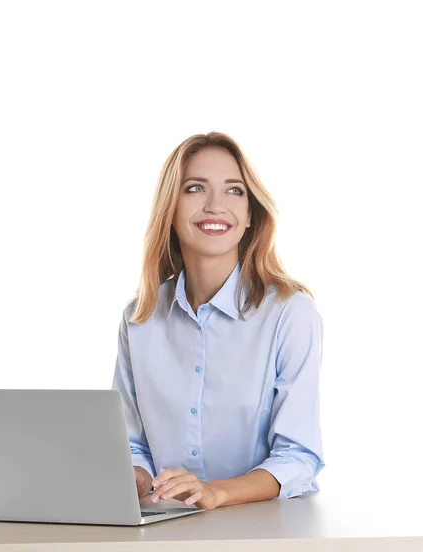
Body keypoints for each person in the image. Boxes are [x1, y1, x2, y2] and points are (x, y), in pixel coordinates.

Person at [112, 131, 325, 511]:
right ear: (170, 209)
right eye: (195, 189)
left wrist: (218, 492)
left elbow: (298, 457)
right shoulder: (138, 319)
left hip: (266, 530)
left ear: (249, 216)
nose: (215, 205)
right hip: (167, 527)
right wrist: (137, 475)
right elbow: (133, 444)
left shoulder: (290, 314)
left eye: (234, 191)